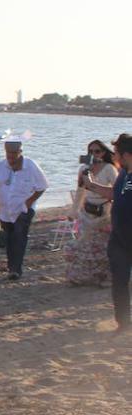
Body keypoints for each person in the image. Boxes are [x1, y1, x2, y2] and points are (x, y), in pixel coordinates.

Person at [0, 137, 48, 280]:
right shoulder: (0, 166)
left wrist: (29, 202)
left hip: (24, 209)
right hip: (5, 210)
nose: (10, 157)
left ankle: (16, 270)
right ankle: (12, 267)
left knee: (19, 236)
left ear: (20, 152)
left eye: (13, 154)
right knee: (10, 239)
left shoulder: (31, 166)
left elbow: (42, 186)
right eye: (8, 154)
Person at [84, 133, 132, 332]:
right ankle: (123, 324)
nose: (114, 157)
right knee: (119, 282)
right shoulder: (124, 173)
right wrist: (91, 184)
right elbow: (114, 194)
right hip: (119, 238)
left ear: (127, 154)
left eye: (117, 154)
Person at [66, 139, 118, 286]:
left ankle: (106, 278)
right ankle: (80, 277)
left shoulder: (109, 168)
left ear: (104, 153)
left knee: (102, 247)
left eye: (97, 151)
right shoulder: (83, 168)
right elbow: (80, 190)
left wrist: (94, 185)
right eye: (90, 151)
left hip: (104, 213)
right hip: (86, 212)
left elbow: (117, 191)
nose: (94, 154)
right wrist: (74, 211)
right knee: (83, 245)